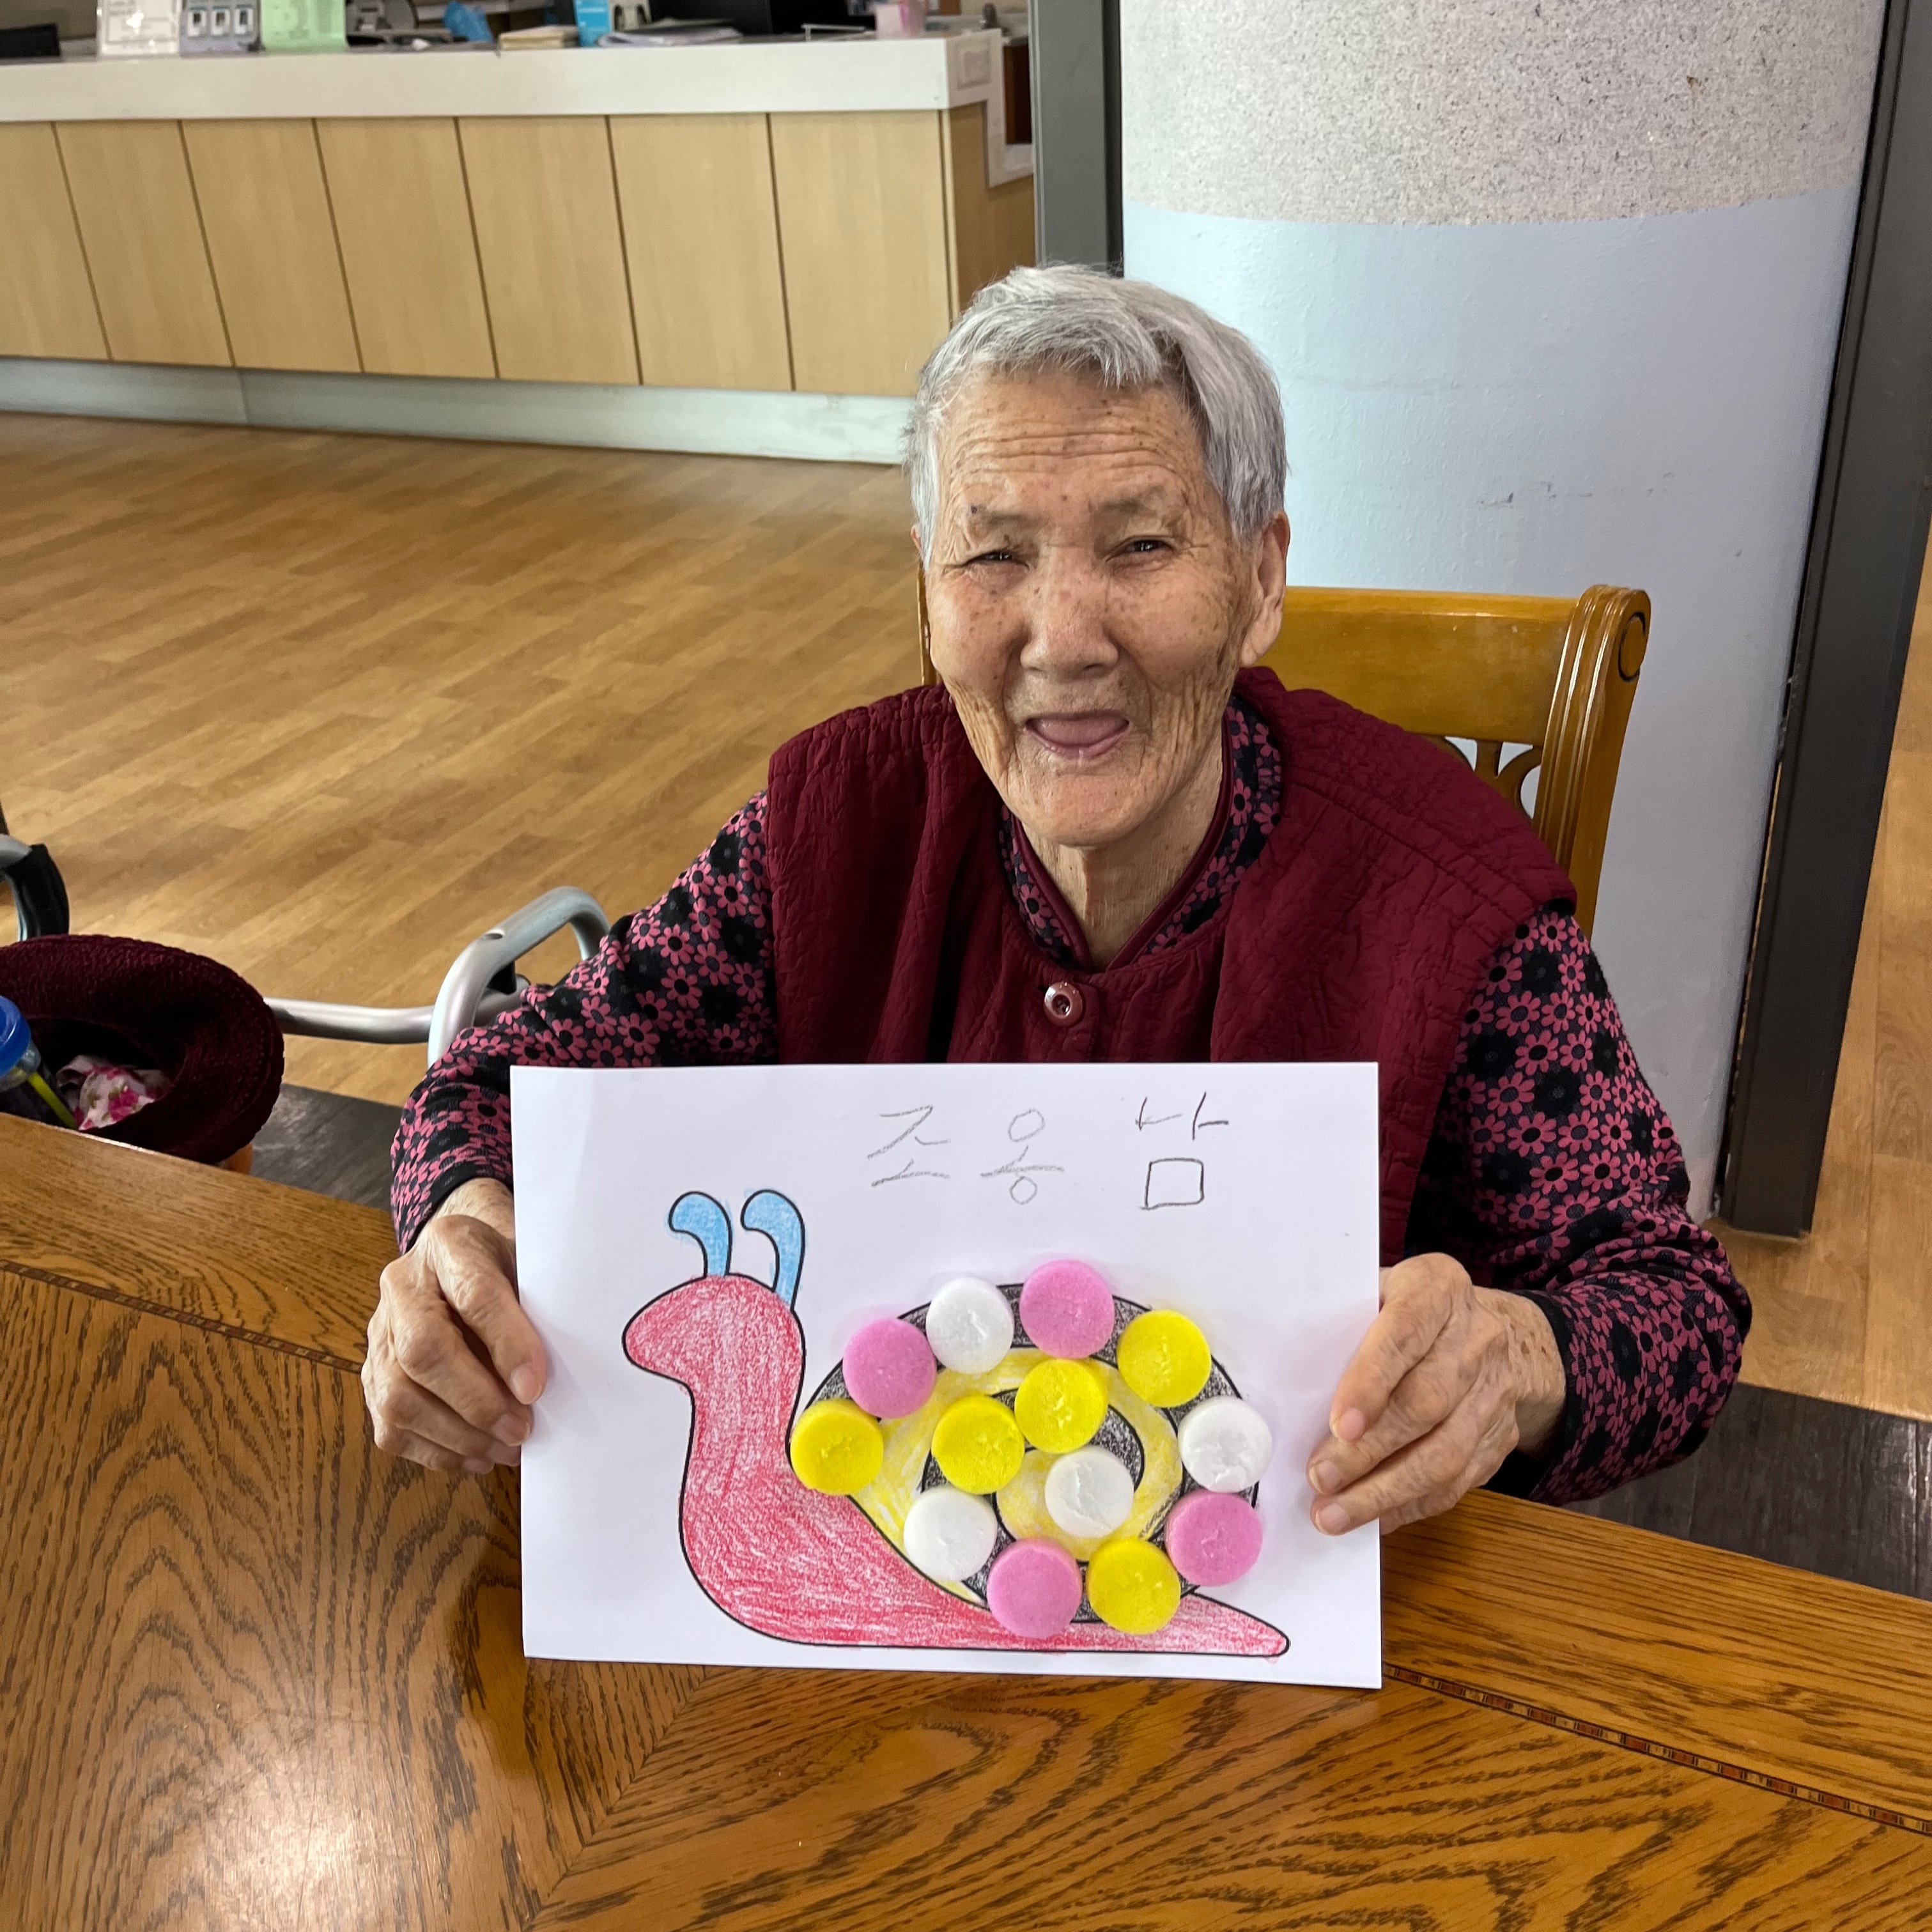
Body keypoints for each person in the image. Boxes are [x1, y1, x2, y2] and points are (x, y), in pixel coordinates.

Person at [367, 266, 1747, 1539]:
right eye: (994, 557)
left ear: (1261, 579)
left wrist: (1514, 1358)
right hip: (885, 1577)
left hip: (1280, 1599)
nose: (1064, 638)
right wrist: (460, 1244)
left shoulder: (1446, 901)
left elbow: (1677, 1306)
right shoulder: (831, 834)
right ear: (928, 590)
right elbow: (493, 1080)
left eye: (1141, 546)